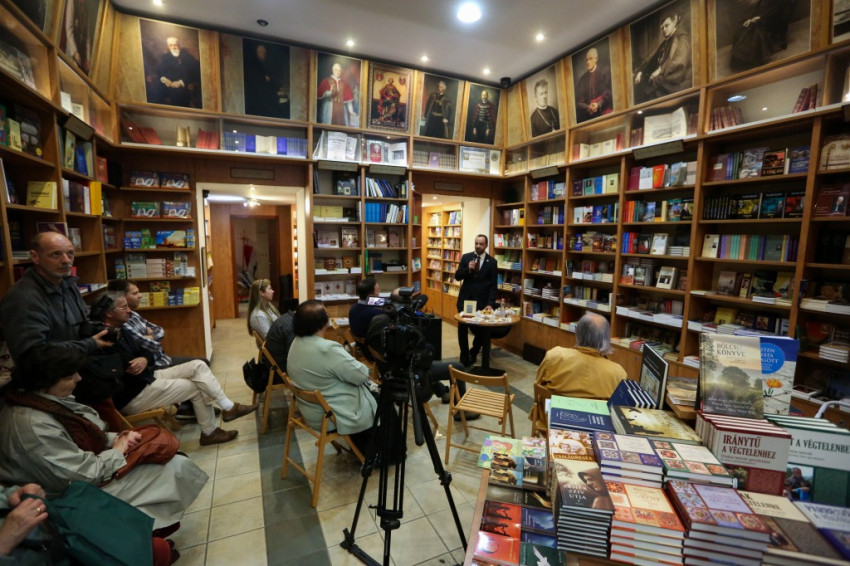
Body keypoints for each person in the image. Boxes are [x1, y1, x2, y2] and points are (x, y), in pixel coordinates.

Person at [0, 345, 208, 530]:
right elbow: (81, 474)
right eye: (70, 376)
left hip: (76, 479)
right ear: (45, 382)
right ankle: (141, 535)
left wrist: (117, 438)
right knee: (173, 468)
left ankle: (148, 532)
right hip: (66, 499)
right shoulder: (32, 425)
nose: (78, 379)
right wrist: (117, 450)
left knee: (169, 460)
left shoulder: (40, 402)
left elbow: (84, 436)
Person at [95, 292, 257, 446]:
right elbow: (123, 367)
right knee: (196, 387)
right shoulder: (104, 338)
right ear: (109, 313)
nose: (129, 310)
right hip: (134, 394)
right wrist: (140, 357)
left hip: (148, 375)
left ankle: (228, 407)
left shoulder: (122, 328)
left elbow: (148, 349)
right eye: (123, 307)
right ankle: (210, 432)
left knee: (198, 365)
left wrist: (144, 358)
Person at [0, 232, 113, 363]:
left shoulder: (67, 283)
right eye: (56, 254)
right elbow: (32, 354)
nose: (66, 260)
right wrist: (90, 344)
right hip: (51, 373)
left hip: (78, 365)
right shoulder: (23, 298)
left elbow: (81, 321)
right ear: (35, 257)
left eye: (70, 253)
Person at [286, 300, 380, 455]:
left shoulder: (296, 343)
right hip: (330, 415)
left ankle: (364, 448)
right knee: (381, 400)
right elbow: (361, 375)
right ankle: (379, 454)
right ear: (323, 322)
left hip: (310, 411)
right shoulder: (327, 349)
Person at [530, 313, 626, 433]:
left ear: (578, 333)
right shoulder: (618, 373)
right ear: (606, 338)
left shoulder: (554, 356)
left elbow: (538, 385)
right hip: (594, 432)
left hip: (553, 426)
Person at [455, 235, 498, 367]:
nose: (478, 246)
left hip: (481, 302)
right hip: (465, 300)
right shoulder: (466, 257)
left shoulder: (492, 262)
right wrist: (468, 269)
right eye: (476, 243)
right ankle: (464, 357)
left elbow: (493, 286)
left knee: (481, 330)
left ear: (486, 245)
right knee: (462, 329)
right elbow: (457, 276)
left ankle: (473, 352)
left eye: (481, 244)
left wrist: (490, 304)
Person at [633, 9, 692, 104]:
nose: (664, 29)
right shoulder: (665, 43)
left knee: (648, 96)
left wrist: (660, 72)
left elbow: (678, 66)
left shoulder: (681, 40)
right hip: (660, 80)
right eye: (662, 28)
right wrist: (641, 71)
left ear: (674, 24)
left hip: (673, 83)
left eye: (667, 25)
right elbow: (652, 60)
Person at [729, 1, 795, 73]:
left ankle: (751, 59)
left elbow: (776, 9)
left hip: (772, 19)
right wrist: (750, 19)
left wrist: (760, 18)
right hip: (763, 16)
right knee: (743, 29)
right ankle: (742, 59)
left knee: (754, 31)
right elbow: (759, 9)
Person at [149, 36, 201, 108]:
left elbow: (195, 71)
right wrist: (164, 79)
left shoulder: (186, 55)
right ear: (168, 46)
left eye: (175, 45)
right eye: (171, 45)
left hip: (181, 84)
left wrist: (181, 82)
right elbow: (160, 70)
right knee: (154, 89)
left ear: (179, 45)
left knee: (178, 96)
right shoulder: (166, 56)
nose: (173, 48)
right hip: (167, 83)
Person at [243, 43, 289, 118]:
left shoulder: (266, 65)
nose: (263, 54)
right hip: (258, 98)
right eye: (261, 52)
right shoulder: (254, 66)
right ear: (257, 53)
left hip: (267, 96)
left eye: (264, 52)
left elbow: (271, 80)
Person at [575, 47, 613, 123]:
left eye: (590, 59)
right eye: (586, 60)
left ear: (596, 58)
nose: (588, 62)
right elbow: (578, 101)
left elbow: (611, 92)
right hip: (589, 114)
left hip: (604, 110)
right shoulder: (583, 79)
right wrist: (587, 107)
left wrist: (599, 104)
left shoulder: (605, 72)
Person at [348, 278, 383, 345]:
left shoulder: (353, 308)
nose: (379, 291)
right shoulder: (377, 314)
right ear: (370, 294)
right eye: (377, 290)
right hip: (372, 348)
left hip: (360, 345)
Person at [264, 305, 295, 371]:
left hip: (277, 360)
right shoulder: (291, 327)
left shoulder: (287, 318)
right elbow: (293, 355)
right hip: (282, 366)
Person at [63, 0, 90, 73]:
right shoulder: (72, 2)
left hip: (82, 54)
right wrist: (75, 52)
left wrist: (87, 58)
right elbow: (69, 30)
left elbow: (87, 37)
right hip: (72, 52)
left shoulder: (86, 8)